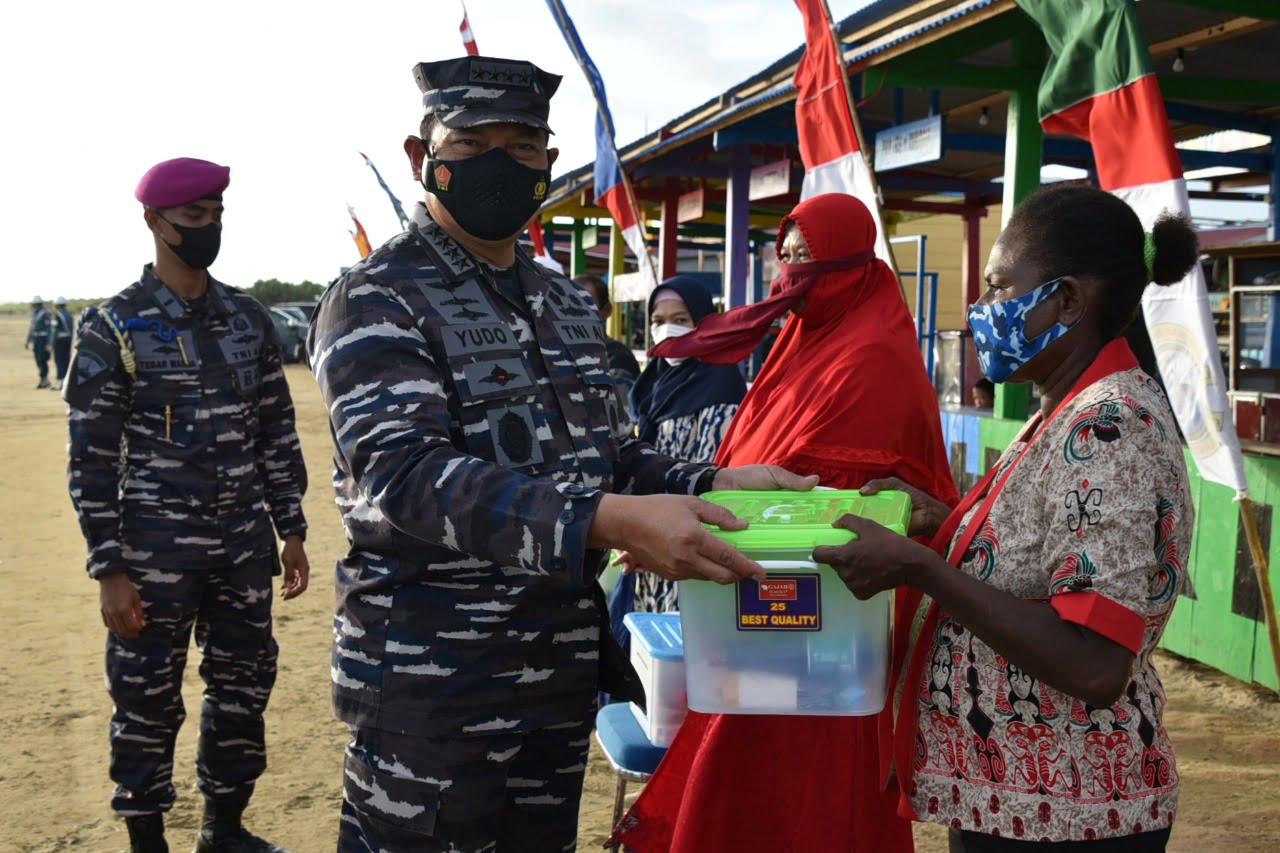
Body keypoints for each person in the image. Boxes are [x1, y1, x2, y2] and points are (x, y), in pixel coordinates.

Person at [306, 55, 814, 853]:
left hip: (555, 681)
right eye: (475, 144)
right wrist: (608, 522)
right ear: (421, 156)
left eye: (526, 145)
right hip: (436, 694)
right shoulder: (379, 297)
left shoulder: (563, 302)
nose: (503, 164)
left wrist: (715, 480)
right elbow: (406, 476)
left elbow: (611, 459)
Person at [814, 184, 1198, 850]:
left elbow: (1095, 663)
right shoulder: (1064, 408)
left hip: (1072, 809)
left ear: (1069, 299)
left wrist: (922, 568)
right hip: (1028, 801)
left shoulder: (1107, 426)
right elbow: (1040, 561)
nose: (981, 309)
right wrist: (939, 524)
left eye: (998, 289)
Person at [615, 192, 959, 853]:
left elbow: (828, 504)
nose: (791, 272)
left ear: (853, 261)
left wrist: (689, 534)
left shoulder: (873, 361)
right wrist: (670, 524)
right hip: (755, 614)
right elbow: (747, 468)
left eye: (810, 256)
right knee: (741, 789)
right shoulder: (797, 346)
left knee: (812, 805)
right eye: (787, 255)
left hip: (828, 635)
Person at [63, 157, 310, 853]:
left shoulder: (247, 320)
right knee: (146, 698)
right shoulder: (115, 326)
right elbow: (91, 456)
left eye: (216, 217)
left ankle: (222, 828)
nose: (208, 229)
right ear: (155, 223)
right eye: (194, 219)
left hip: (239, 548)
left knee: (243, 686)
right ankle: (147, 839)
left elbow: (275, 430)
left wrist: (290, 526)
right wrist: (107, 565)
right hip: (153, 554)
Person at [611, 277, 747, 626]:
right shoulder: (653, 381)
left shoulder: (719, 383)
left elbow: (710, 475)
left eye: (681, 319)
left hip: (686, 543)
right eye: (657, 320)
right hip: (645, 543)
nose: (666, 329)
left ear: (703, 321)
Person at [573, 273, 641, 414]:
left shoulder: (617, 358)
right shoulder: (568, 353)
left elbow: (620, 417)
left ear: (607, 310)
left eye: (585, 304)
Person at [25, 295, 53, 388]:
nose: (34, 306)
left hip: (43, 339)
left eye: (35, 304)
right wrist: (28, 341)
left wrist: (49, 343)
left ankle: (44, 379)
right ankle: (43, 379)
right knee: (38, 359)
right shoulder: (35, 314)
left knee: (42, 359)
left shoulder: (45, 313)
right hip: (36, 339)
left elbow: (49, 329)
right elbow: (32, 328)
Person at [52, 296, 74, 391]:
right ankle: (67, 382)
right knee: (66, 360)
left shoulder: (58, 316)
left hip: (60, 341)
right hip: (68, 340)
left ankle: (60, 383)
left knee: (59, 361)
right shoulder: (69, 315)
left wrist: (52, 343)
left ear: (57, 305)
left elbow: (55, 331)